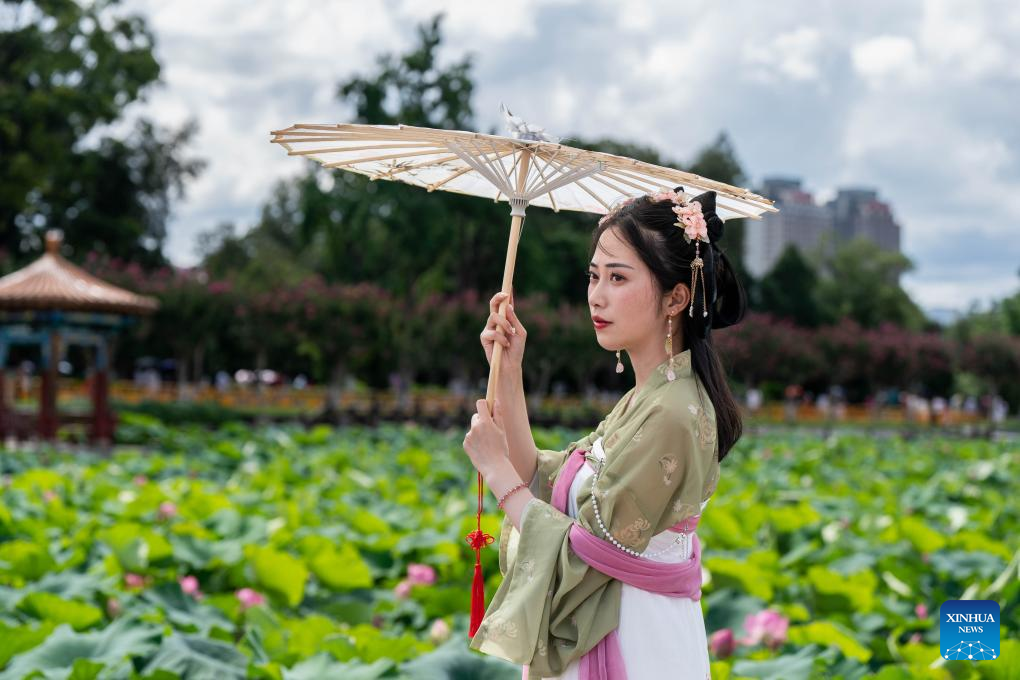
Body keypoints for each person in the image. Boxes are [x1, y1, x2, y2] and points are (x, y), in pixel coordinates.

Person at [462, 188, 747, 679]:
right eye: (594, 276)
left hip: (638, 642)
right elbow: (551, 486)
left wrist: (495, 470)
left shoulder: (674, 411)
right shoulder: (649, 396)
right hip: (615, 623)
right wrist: (509, 372)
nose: (597, 294)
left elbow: (588, 549)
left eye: (618, 277)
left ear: (676, 297)